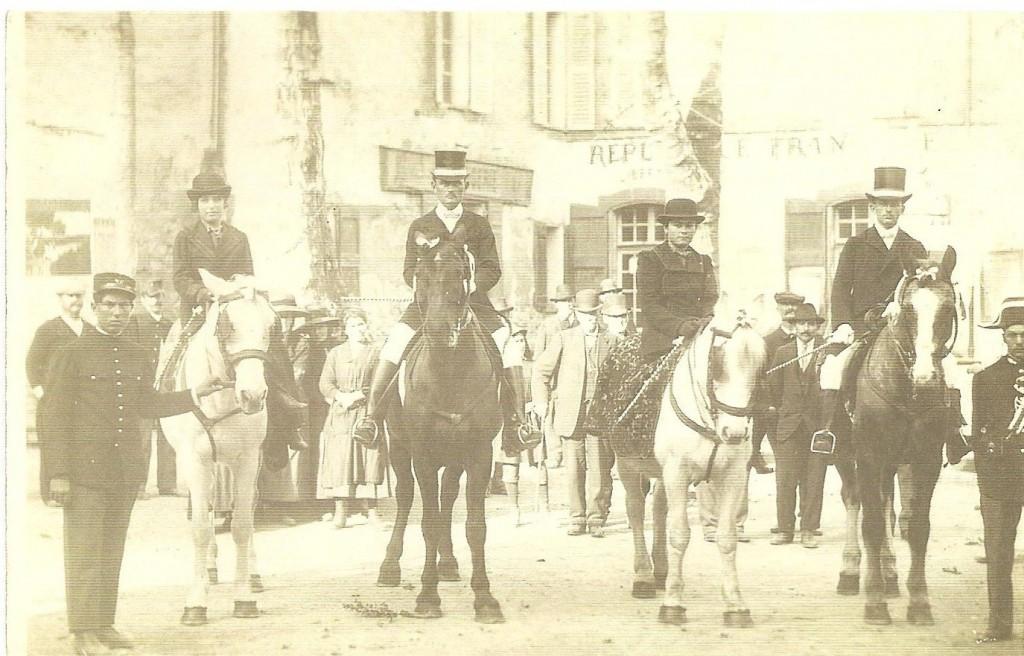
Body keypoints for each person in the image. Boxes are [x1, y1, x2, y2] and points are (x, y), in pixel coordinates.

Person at [42, 273, 225, 656]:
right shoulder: (71, 352)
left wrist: (194, 393)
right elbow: (53, 415)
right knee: (84, 552)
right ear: (95, 309)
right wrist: (57, 474)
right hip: (83, 471)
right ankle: (81, 632)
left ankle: (103, 625)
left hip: (123, 472)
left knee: (110, 552)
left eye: (124, 305)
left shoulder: (136, 352)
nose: (117, 313)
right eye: (109, 305)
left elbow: (147, 404)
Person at [354, 148, 524, 448]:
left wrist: (470, 285)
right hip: (428, 306)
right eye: (444, 183)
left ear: (465, 187)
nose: (450, 189)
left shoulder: (479, 225)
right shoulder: (420, 226)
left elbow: (492, 268)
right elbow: (408, 270)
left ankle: (517, 422)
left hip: (472, 304)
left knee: (508, 345)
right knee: (394, 342)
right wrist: (428, 288)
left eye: (457, 183)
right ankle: (371, 419)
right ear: (434, 185)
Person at [171, 158, 308, 452]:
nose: (211, 206)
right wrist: (202, 294)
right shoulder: (185, 238)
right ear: (197, 205)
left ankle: (288, 415)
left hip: (237, 305)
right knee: (175, 349)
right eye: (205, 200)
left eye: (217, 200)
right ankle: (165, 398)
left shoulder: (239, 238)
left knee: (270, 347)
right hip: (200, 308)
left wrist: (244, 289)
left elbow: (248, 272)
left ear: (225, 204)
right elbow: (180, 278)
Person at [815, 167, 927, 443]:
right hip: (860, 327)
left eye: (895, 205)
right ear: (873, 207)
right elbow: (840, 287)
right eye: (883, 205)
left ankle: (952, 431)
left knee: (945, 370)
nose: (889, 210)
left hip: (903, 330)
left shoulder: (915, 247)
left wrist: (900, 307)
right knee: (832, 367)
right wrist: (841, 324)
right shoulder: (855, 245)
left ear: (902, 208)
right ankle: (828, 430)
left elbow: (922, 292)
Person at [532, 289, 618, 537]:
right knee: (574, 469)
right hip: (571, 414)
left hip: (600, 415)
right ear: (577, 315)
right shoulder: (564, 338)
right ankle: (577, 517)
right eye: (585, 315)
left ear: (599, 314)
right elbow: (541, 372)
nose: (590, 319)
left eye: (594, 314)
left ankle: (595, 518)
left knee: (600, 469)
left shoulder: (611, 340)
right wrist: (541, 401)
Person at [970, 297, 1024, 644]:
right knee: (999, 551)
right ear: (1003, 338)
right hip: (1003, 477)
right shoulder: (987, 379)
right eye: (1012, 336)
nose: (1019, 342)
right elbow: (978, 435)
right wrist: (987, 483)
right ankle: (999, 624)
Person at [318, 308, 392, 528]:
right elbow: (325, 383)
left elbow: (382, 382)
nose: (358, 329)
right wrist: (339, 396)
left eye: (361, 324)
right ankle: (340, 513)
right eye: (353, 326)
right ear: (345, 330)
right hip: (340, 414)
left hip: (366, 413)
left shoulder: (375, 352)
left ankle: (372, 512)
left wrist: (360, 394)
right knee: (341, 461)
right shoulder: (335, 354)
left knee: (369, 460)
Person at [768, 303, 829, 548]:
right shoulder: (783, 353)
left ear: (817, 327)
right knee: (785, 479)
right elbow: (773, 388)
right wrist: (784, 413)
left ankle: (809, 530)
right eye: (802, 323)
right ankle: (785, 529)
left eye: (811, 324)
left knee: (814, 479)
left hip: (818, 427)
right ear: (794, 327)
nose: (806, 328)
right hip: (788, 426)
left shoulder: (827, 351)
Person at [27, 278, 90, 504]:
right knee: (53, 445)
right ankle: (50, 494)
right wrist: (41, 393)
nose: (75, 301)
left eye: (79, 296)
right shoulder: (48, 329)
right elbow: (32, 363)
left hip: (83, 402)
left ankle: (75, 491)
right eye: (70, 296)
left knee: (78, 445)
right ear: (61, 299)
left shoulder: (89, 329)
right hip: (53, 400)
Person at [635, 198, 718, 361]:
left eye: (689, 226)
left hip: (699, 336)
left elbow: (710, 298)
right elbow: (649, 304)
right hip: (661, 340)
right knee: (649, 384)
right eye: (678, 225)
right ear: (666, 228)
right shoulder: (650, 259)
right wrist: (679, 326)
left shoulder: (704, 261)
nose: (684, 231)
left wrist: (706, 319)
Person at [123, 280, 175, 497]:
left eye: (160, 296)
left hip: (166, 387)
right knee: (142, 437)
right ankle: (139, 485)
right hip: (143, 388)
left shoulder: (169, 325)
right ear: (143, 299)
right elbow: (130, 356)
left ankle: (168, 483)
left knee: (168, 435)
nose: (157, 301)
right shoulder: (134, 322)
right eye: (152, 296)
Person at [496, 318, 548, 525]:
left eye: (522, 340)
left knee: (539, 461)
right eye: (515, 340)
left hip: (533, 416)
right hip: (511, 418)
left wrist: (538, 403)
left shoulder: (533, 364)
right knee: (511, 462)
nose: (520, 344)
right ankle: (514, 509)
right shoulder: (503, 368)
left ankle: (544, 505)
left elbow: (542, 384)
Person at [751, 291, 805, 476]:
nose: (790, 308)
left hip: (804, 411)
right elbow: (760, 379)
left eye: (794, 304)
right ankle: (754, 452)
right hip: (777, 413)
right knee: (786, 465)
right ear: (778, 308)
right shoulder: (766, 342)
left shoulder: (810, 340)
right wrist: (769, 407)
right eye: (785, 304)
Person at [530, 284, 577, 468]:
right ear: (557, 304)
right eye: (563, 302)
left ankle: (570, 454)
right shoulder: (548, 325)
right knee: (550, 416)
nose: (568, 305)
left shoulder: (578, 323)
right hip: (553, 378)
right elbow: (539, 357)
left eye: (569, 301)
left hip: (572, 376)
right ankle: (555, 453)